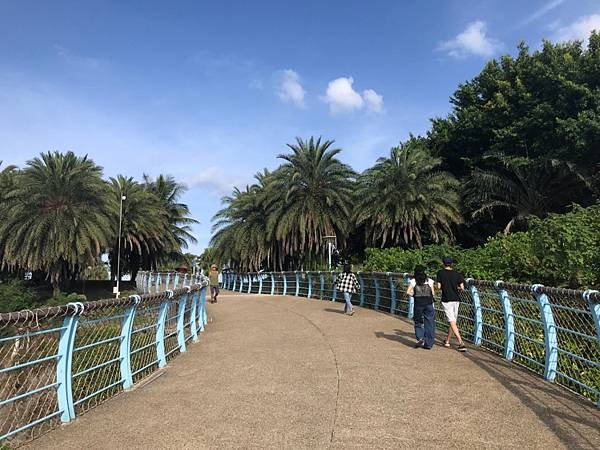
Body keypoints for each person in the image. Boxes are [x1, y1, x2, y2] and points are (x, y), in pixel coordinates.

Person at [436, 257, 466, 352]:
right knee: (453, 321)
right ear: (451, 263)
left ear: (443, 263)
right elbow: (462, 287)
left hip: (446, 299)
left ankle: (461, 343)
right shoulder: (457, 274)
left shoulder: (440, 273)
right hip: (456, 299)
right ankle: (447, 341)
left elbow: (439, 286)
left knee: (452, 321)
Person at [407, 265, 436, 349]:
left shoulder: (413, 281)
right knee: (430, 323)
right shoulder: (429, 281)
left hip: (418, 304)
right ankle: (429, 344)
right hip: (429, 304)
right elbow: (433, 293)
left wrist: (414, 295)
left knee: (418, 321)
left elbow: (408, 292)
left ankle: (420, 337)